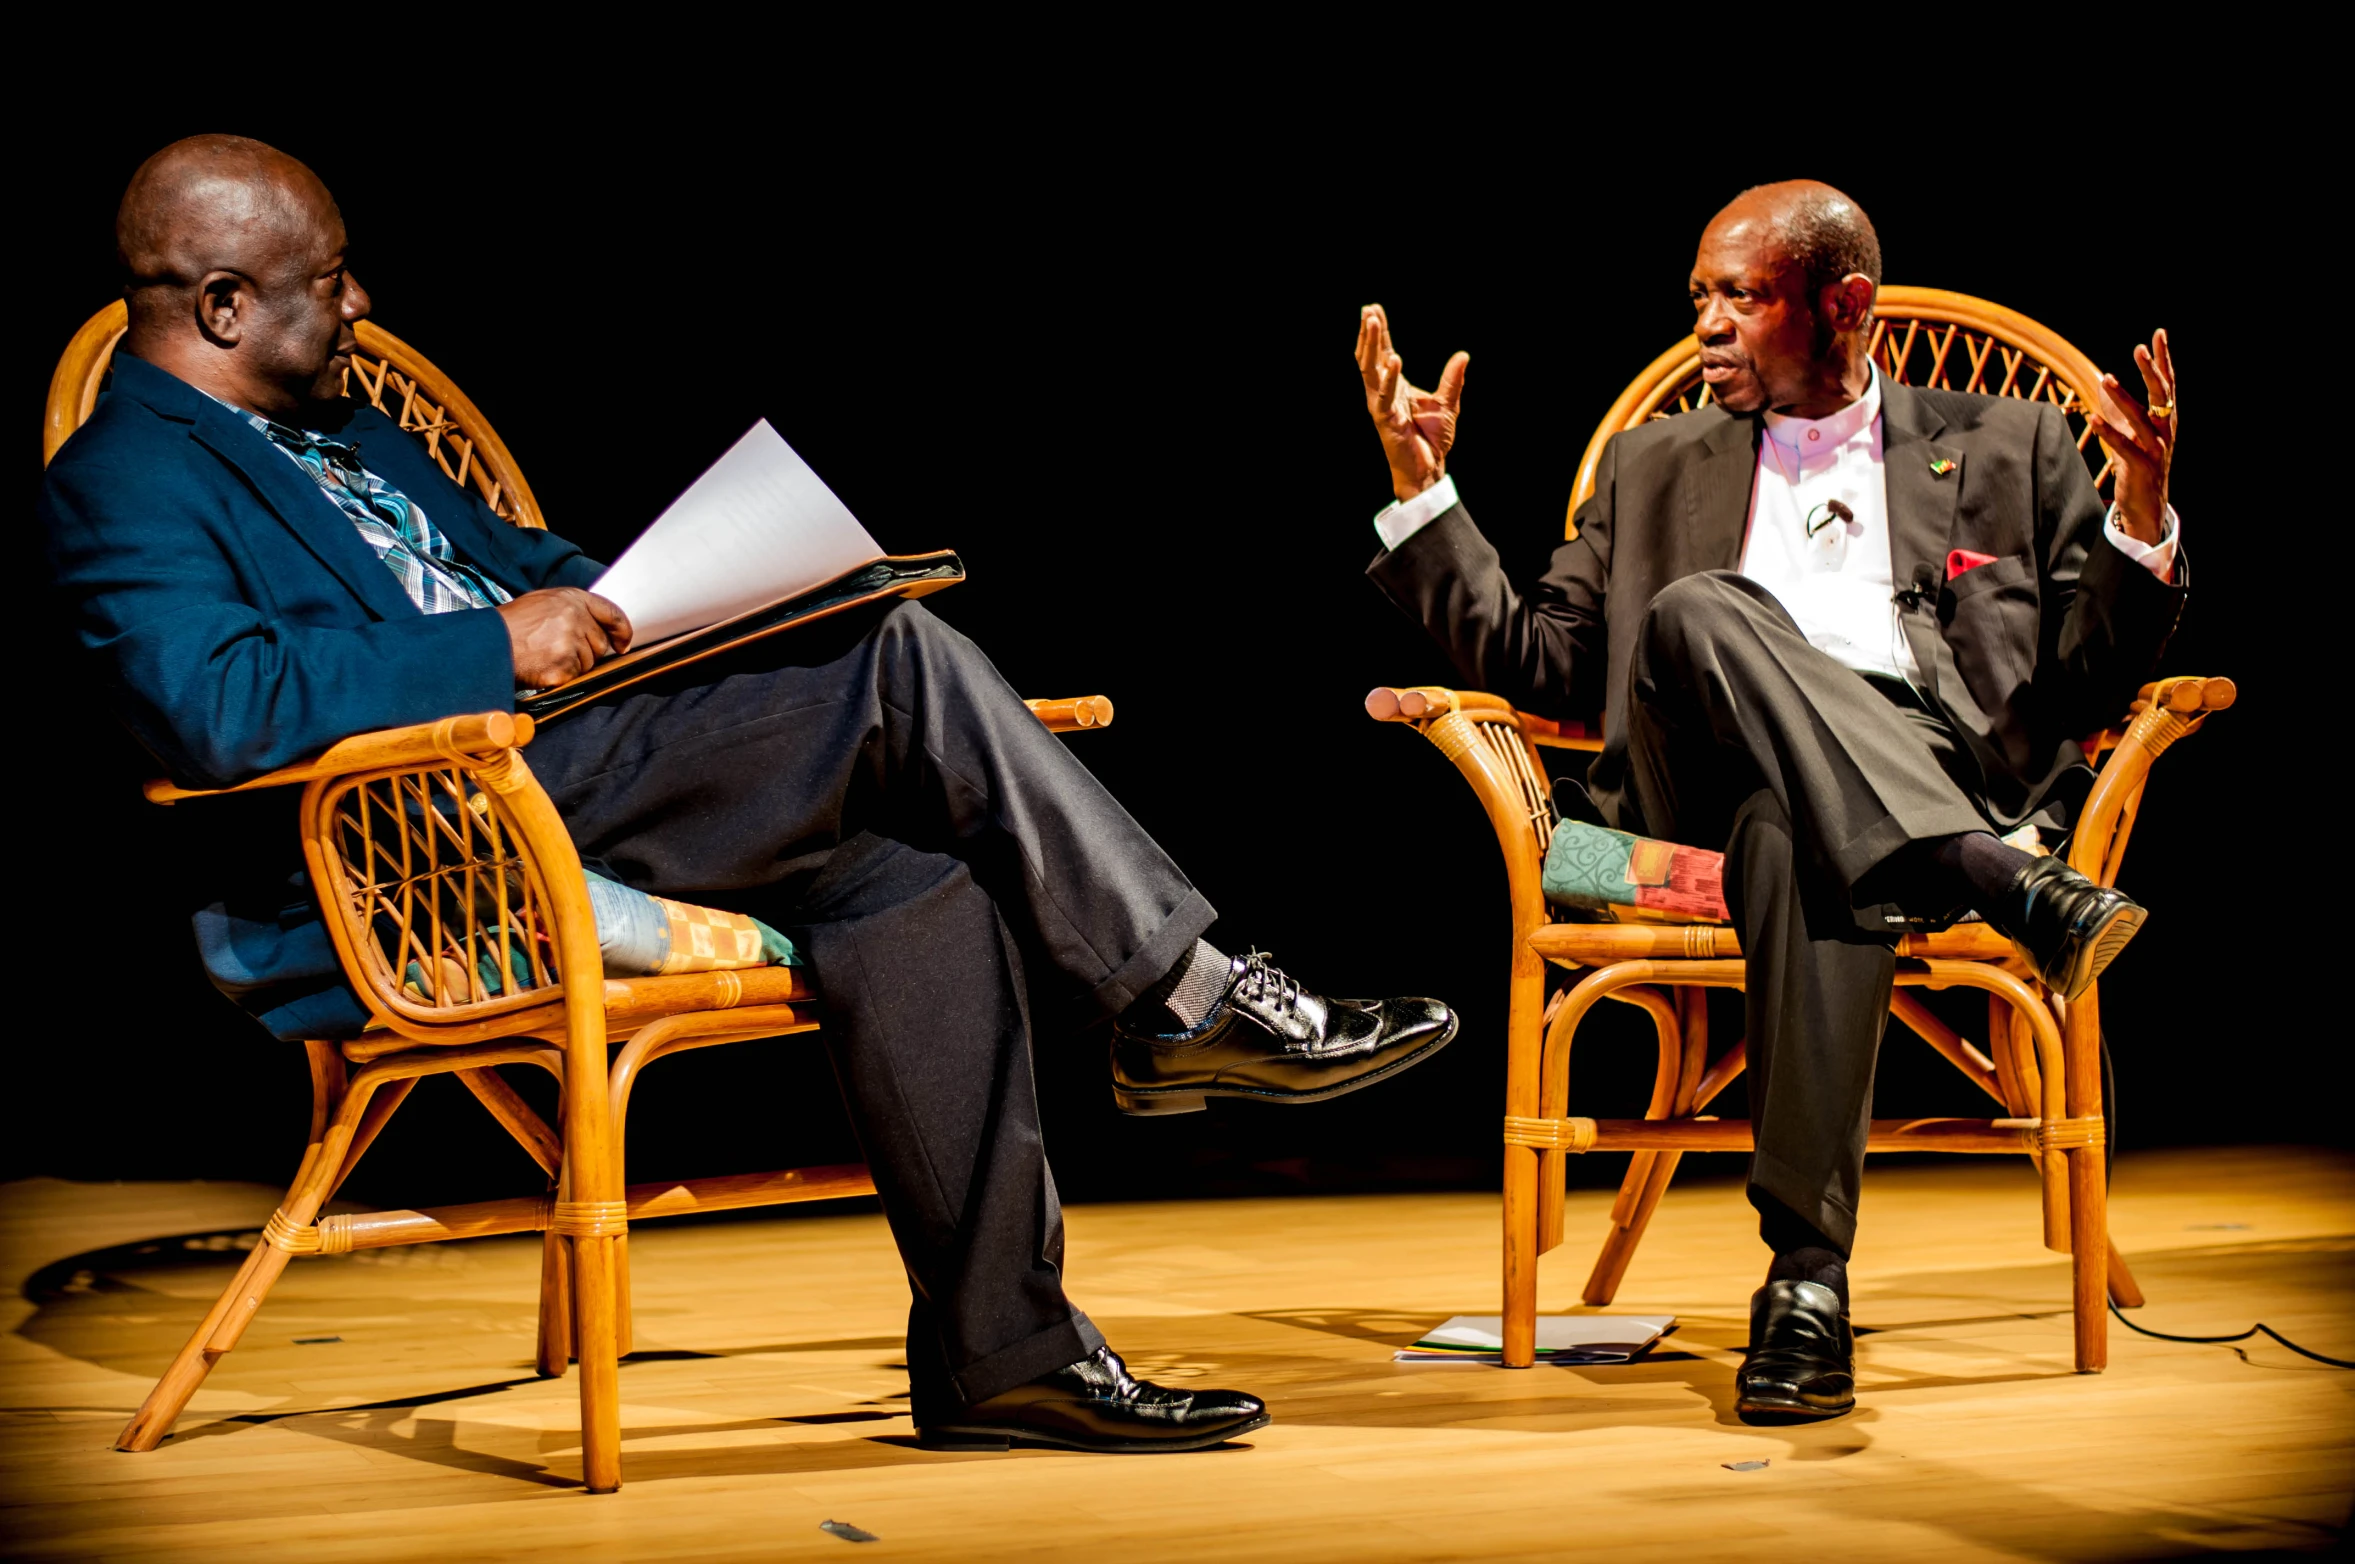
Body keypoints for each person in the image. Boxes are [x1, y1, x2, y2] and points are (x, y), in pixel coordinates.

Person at [42, 134, 1461, 1456]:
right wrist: (495, 643)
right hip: (433, 837)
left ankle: (1003, 1356)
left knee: (920, 873)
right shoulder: (128, 473)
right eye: (328, 278)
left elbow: (544, 569)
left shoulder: (355, 442)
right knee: (898, 663)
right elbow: (215, 706)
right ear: (223, 304)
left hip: (596, 761)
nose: (362, 301)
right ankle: (1185, 998)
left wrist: (698, 606)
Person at [1357, 181, 2184, 1423]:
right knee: (1702, 607)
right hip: (1704, 768)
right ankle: (1988, 874)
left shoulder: (2008, 444)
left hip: (1904, 776)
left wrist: (2139, 514)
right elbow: (1548, 666)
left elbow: (2086, 676)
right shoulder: (1652, 465)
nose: (1706, 325)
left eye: (1739, 297)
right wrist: (1426, 492)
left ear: (1843, 305)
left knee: (1802, 837)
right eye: (1699, 297)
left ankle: (1805, 1283)